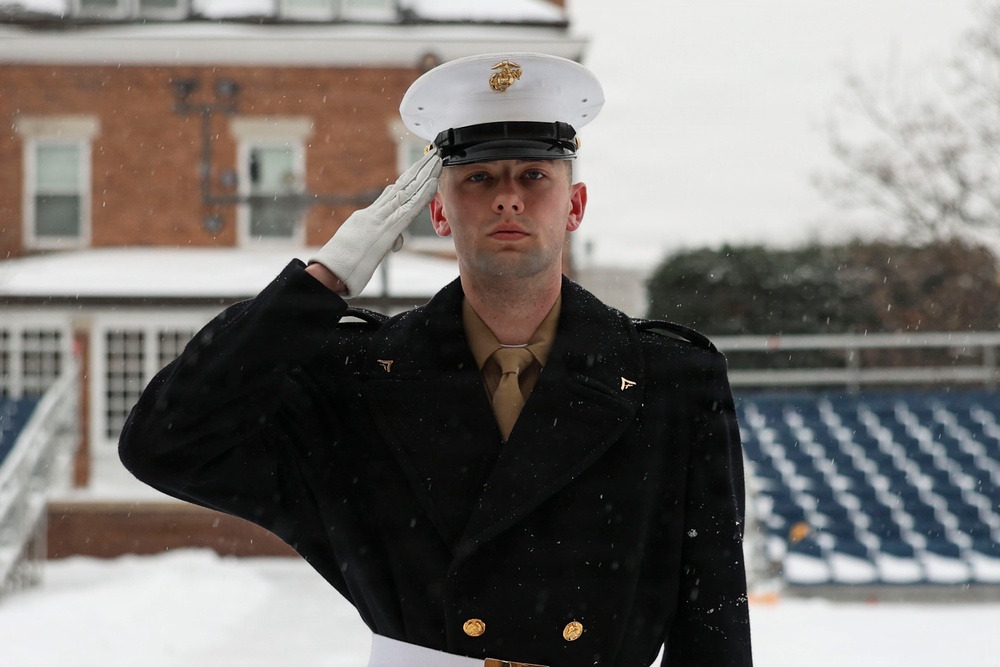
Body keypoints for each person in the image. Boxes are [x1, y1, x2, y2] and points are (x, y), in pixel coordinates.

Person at [119, 52, 753, 667]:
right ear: (439, 212)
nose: (509, 198)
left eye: (534, 176)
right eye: (479, 178)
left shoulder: (669, 380)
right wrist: (317, 285)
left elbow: (714, 619)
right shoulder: (355, 380)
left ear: (575, 206)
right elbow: (165, 443)